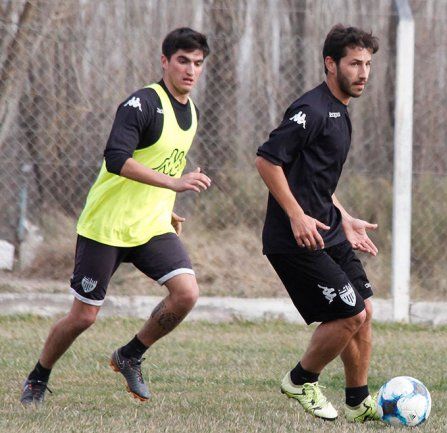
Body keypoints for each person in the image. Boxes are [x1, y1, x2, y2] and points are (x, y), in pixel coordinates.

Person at [20, 27, 212, 406]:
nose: (191, 70)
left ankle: (131, 354)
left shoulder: (191, 112)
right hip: (106, 227)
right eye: (183, 61)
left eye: (198, 64)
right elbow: (118, 159)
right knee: (83, 318)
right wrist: (173, 185)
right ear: (165, 62)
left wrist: (165, 207)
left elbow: (155, 163)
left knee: (186, 294)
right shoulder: (140, 104)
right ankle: (37, 378)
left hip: (150, 227)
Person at [255, 24, 381, 423]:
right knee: (349, 314)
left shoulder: (340, 112)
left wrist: (344, 217)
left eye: (367, 64)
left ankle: (358, 401)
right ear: (330, 64)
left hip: (328, 228)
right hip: (295, 239)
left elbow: (316, 179)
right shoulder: (309, 110)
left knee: (365, 311)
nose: (362, 72)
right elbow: (267, 159)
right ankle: (300, 380)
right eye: (354, 64)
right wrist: (295, 216)